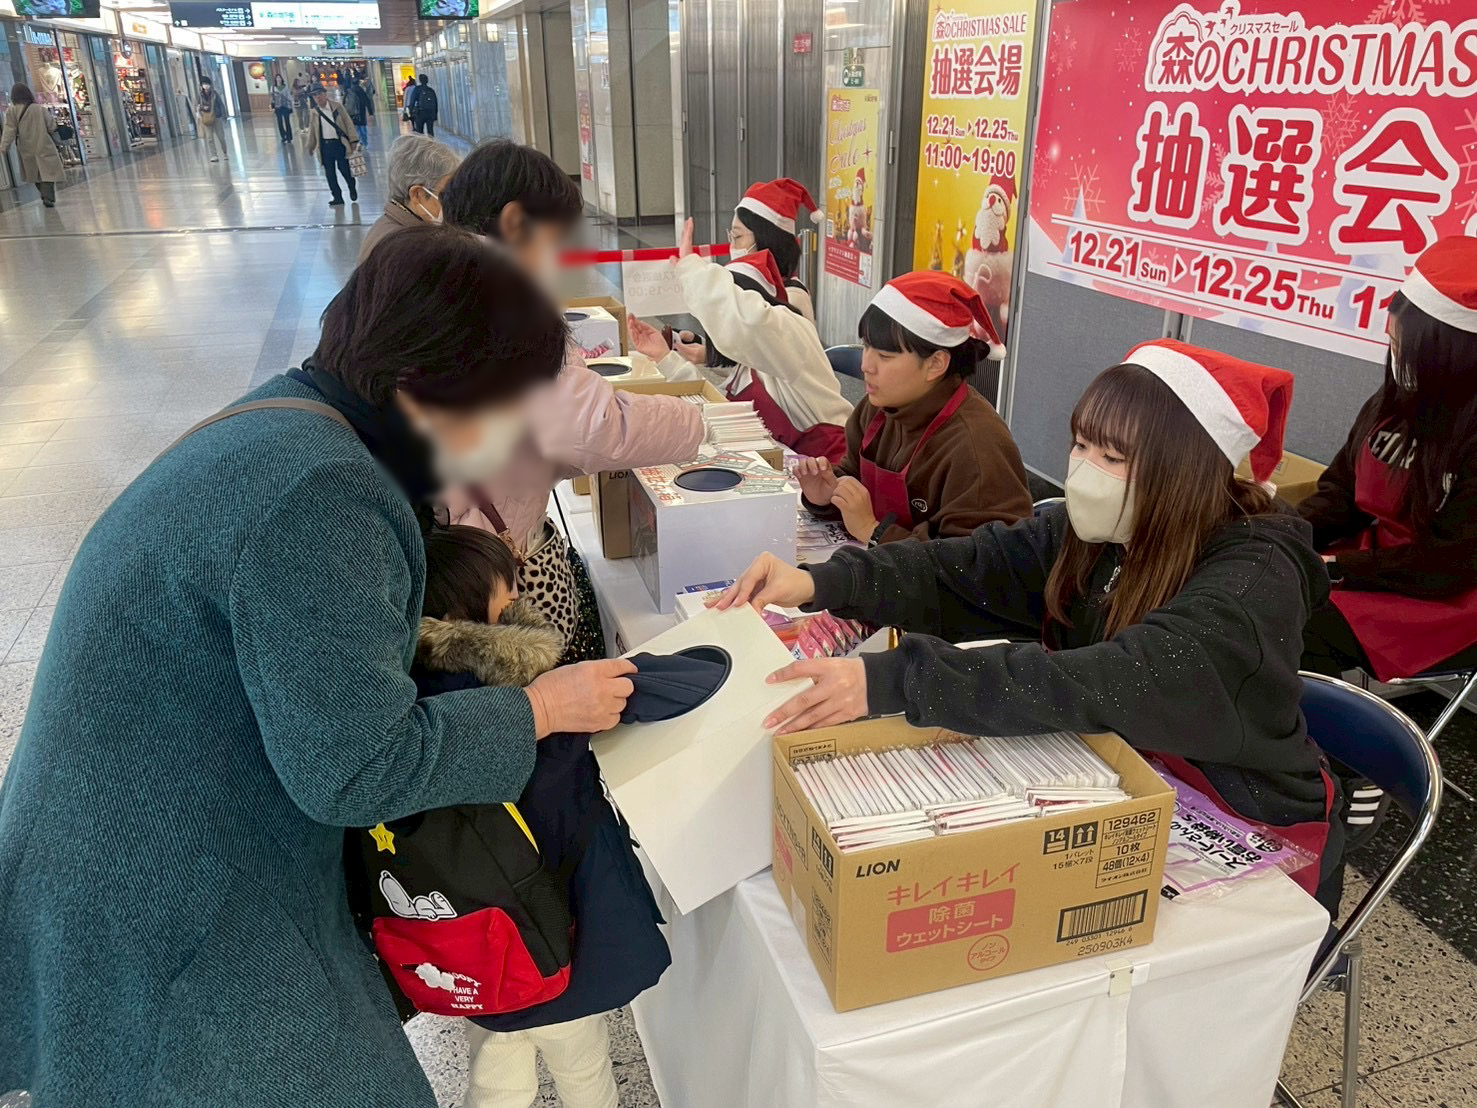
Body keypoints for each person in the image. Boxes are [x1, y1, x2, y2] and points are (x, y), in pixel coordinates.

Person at [0, 225, 640, 1106]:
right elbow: (356, 765)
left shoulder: (295, 425)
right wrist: (538, 708)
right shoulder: (322, 493)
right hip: (169, 888)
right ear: (429, 387)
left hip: (144, 843)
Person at [716, 339, 1347, 912]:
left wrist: (897, 680)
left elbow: (1124, 677)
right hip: (1110, 772)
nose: (1085, 470)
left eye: (1114, 456)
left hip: (1237, 818)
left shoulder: (1254, 572)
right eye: (1081, 445)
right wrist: (826, 581)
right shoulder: (1091, 531)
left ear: (1188, 470)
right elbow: (966, 566)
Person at [347, 525, 669, 1108]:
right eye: (506, 593)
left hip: (476, 937)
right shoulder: (518, 705)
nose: (517, 599)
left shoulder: (399, 697)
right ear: (468, 614)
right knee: (583, 1064)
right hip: (555, 927)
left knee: (497, 1073)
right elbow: (559, 796)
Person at [437, 140, 705, 658]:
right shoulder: (504, 301)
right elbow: (595, 425)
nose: (557, 262)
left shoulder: (431, 277)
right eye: (555, 241)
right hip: (486, 566)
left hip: (443, 537)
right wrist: (696, 420)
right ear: (515, 222)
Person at [1299, 236, 1477, 683]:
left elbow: (1447, 567)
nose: (1395, 357)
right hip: (1379, 564)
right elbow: (1340, 493)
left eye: (1406, 349)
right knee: (1258, 584)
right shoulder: (1395, 399)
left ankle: (1317, 743)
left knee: (1294, 625)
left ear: (1452, 357)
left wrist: (1337, 570)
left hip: (1447, 597)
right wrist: (1285, 531)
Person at [794, 272, 1031, 543]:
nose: (865, 366)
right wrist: (826, 496)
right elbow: (853, 472)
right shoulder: (878, 409)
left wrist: (875, 531)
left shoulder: (976, 447)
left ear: (935, 364)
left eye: (885, 356)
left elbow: (976, 565)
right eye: (866, 347)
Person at [626, 224, 852, 460]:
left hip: (833, 470)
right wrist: (665, 358)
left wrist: (693, 270)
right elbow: (720, 412)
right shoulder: (746, 366)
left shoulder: (792, 331)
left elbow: (745, 319)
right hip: (783, 471)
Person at [731, 177, 822, 320]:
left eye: (737, 237)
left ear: (767, 241)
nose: (732, 247)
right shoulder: (757, 287)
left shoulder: (791, 298)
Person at [360, 134, 460, 263]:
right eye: (446, 194)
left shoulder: (390, 225)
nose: (454, 201)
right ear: (418, 195)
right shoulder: (409, 249)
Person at [0, 83, 64, 208]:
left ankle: (45, 195)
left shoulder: (12, 111)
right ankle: (48, 196)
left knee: (34, 173)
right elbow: (51, 126)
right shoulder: (39, 109)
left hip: (26, 146)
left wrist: (4, 146)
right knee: (48, 172)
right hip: (44, 143)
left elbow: (9, 130)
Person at [305, 83, 360, 207]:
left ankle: (351, 186)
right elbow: (313, 130)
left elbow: (348, 123)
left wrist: (353, 140)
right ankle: (337, 196)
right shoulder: (314, 112)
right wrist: (311, 146)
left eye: (319, 94)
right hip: (325, 146)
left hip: (339, 144)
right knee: (330, 173)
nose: (318, 97)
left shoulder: (337, 107)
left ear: (325, 94)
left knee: (344, 170)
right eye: (314, 95)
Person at [196, 76, 227, 162]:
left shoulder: (215, 94)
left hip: (217, 116)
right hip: (206, 118)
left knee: (221, 136)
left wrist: (224, 115)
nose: (205, 86)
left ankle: (225, 152)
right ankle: (214, 155)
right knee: (209, 138)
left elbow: (220, 104)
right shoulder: (200, 95)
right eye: (204, 84)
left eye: (207, 84)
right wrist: (203, 107)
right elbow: (197, 105)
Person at [345, 75, 375, 147]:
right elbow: (367, 102)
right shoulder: (361, 91)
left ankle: (360, 141)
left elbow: (344, 102)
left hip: (352, 113)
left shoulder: (349, 91)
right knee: (363, 128)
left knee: (357, 128)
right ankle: (365, 143)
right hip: (361, 112)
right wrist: (371, 113)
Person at [269, 74, 294, 143]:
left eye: (279, 77)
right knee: (279, 122)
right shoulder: (273, 87)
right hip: (278, 107)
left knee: (287, 122)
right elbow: (272, 97)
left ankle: (289, 137)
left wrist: (291, 104)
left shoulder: (285, 87)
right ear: (275, 79)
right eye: (277, 77)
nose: (278, 79)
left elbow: (288, 96)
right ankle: (283, 136)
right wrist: (272, 106)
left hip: (285, 106)